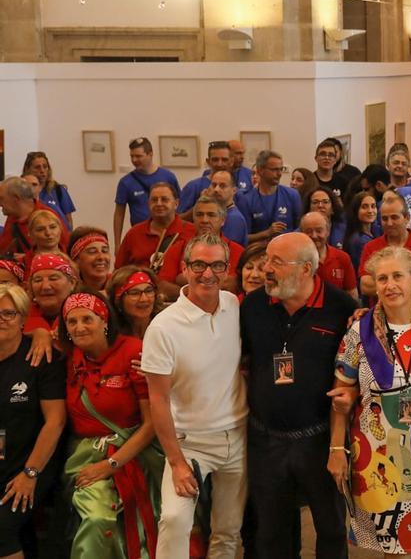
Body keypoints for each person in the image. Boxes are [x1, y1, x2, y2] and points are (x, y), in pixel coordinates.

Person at [240, 232, 357, 559]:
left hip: (319, 439)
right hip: (266, 439)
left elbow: (355, 370)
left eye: (277, 261)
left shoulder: (342, 307)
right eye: (267, 260)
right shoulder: (252, 305)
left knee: (331, 529)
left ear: (306, 269)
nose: (266, 269)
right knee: (272, 532)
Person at [329, 244, 411, 556]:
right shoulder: (359, 332)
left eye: (398, 275)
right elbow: (340, 396)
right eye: (382, 278)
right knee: (391, 546)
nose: (390, 285)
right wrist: (336, 449)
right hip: (378, 453)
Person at [141, 234, 248, 559]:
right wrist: (175, 461)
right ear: (185, 268)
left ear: (227, 269)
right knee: (174, 521)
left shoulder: (232, 305)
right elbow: (158, 400)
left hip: (237, 438)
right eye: (199, 265)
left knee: (228, 530)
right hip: (189, 444)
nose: (208, 274)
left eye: (217, 265)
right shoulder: (163, 327)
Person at [59, 288, 163, 559]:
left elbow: (152, 423)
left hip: (136, 453)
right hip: (86, 455)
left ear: (105, 321)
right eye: (72, 321)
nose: (79, 327)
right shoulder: (69, 357)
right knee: (97, 519)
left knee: (145, 523)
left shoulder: (133, 351)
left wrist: (111, 465)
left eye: (87, 319)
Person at [0, 282, 67, 558]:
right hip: (3, 456)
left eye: (8, 314)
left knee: (2, 528)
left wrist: (30, 474)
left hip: (34, 461)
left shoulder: (41, 356)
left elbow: (56, 422)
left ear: (22, 319)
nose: (1, 320)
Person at [156, 195, 244, 300]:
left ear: (223, 220)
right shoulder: (178, 248)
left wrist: (184, 280)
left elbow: (231, 285)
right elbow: (163, 286)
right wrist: (201, 291)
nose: (204, 220)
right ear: (193, 219)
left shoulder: (238, 251)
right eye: (199, 215)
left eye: (211, 215)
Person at [358, 195, 411, 301]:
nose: (389, 223)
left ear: (407, 218)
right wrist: (408, 279)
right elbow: (365, 286)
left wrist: (381, 281)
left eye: (394, 217)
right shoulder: (371, 247)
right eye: (385, 219)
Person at [114, 181, 195, 274]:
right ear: (148, 203)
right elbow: (118, 270)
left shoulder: (191, 232)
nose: (159, 204)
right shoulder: (134, 233)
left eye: (164, 199)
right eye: (154, 200)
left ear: (176, 203)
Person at [114, 137, 180, 251]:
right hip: (141, 237)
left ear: (150, 154)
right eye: (132, 156)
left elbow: (179, 204)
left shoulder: (168, 176)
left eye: (139, 156)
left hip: (168, 235)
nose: (134, 160)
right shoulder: (125, 182)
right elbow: (119, 214)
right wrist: (117, 244)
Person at [237, 150, 303, 243]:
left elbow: (300, 228)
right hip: (259, 252)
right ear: (260, 170)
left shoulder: (292, 195)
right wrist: (266, 233)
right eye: (274, 170)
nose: (279, 173)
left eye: (281, 169)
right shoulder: (246, 199)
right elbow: (244, 237)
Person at [1, 176, 69, 257]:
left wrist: (26, 258)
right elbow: (3, 250)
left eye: (1, 199)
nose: (0, 204)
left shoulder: (48, 216)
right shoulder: (12, 216)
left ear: (16, 198)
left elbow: (63, 254)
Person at [299, 211, 358, 300]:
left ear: (327, 231)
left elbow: (352, 295)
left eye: (319, 231)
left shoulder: (342, 258)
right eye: (308, 231)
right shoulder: (295, 260)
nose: (314, 236)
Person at [179, 141, 234, 214]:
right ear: (208, 161)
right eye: (215, 160)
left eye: (224, 160)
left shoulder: (235, 188)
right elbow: (179, 220)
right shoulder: (193, 187)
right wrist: (201, 203)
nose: (219, 164)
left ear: (231, 161)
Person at [108, 266, 164, 339]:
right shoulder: (111, 334)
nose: (144, 299)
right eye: (135, 293)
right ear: (118, 300)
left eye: (149, 291)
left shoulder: (165, 325)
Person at [23, 151, 74, 229]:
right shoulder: (22, 191)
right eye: (37, 167)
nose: (42, 170)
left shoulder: (58, 190)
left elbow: (68, 221)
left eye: (45, 166)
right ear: (28, 169)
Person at [342, 191, 379, 270]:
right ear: (356, 211)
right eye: (364, 207)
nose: (370, 211)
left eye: (373, 206)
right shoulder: (360, 240)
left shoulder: (374, 232)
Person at [69, 227, 113, 292]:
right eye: (92, 252)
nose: (101, 257)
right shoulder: (68, 290)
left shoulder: (120, 286)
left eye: (105, 251)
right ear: (76, 261)